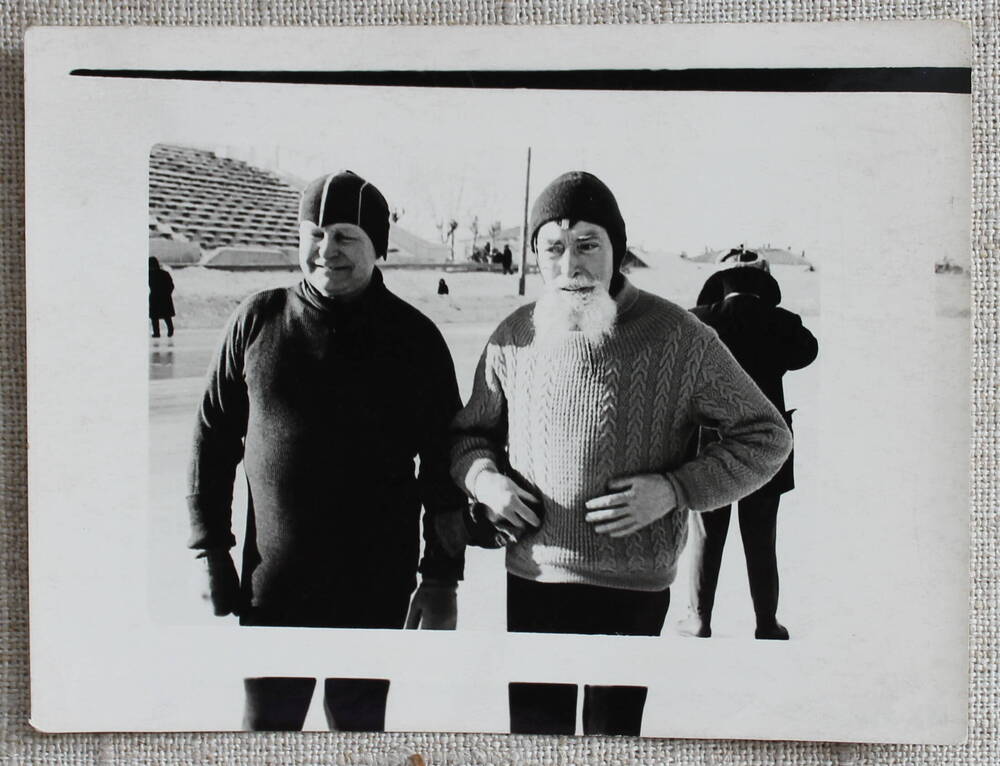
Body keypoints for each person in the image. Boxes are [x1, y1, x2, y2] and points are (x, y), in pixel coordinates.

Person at [450, 171, 792, 737]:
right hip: (536, 579)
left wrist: (678, 489)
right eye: (553, 250)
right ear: (536, 256)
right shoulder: (513, 336)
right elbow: (469, 435)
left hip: (633, 587)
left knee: (613, 742)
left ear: (618, 250)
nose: (571, 266)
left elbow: (766, 436)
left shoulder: (682, 336)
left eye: (588, 245)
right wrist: (486, 481)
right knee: (537, 741)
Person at [187, 170, 466, 732]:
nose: (326, 250)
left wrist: (441, 579)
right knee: (267, 730)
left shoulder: (414, 340)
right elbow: (213, 440)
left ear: (378, 247)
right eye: (314, 233)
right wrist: (209, 549)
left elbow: (443, 468)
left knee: (357, 733)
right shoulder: (257, 321)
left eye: (345, 236)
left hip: (374, 589)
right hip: (274, 589)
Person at [679, 263, 818, 640]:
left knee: (706, 535)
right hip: (766, 447)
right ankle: (766, 623)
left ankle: (699, 620)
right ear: (763, 288)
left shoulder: (699, 321)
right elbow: (808, 353)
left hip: (712, 443)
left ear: (718, 288)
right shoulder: (782, 322)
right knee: (762, 537)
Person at [148, 256, 175, 337]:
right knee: (166, 316)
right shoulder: (165, 274)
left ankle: (156, 333)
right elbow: (171, 286)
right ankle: (170, 330)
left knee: (154, 317)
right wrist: (167, 294)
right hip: (164, 298)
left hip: (155, 297)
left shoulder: (149, 274)